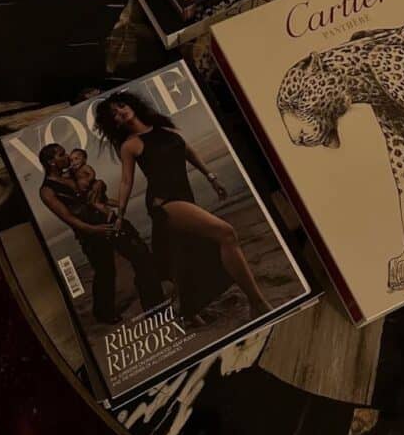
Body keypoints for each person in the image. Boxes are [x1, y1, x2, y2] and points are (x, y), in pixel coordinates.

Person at [94, 91, 271, 321]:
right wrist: (120, 215)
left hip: (185, 196)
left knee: (185, 255)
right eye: (114, 115)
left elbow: (188, 152)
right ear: (115, 124)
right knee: (226, 233)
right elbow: (127, 181)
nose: (120, 112)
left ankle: (189, 312)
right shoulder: (130, 145)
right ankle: (257, 302)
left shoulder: (165, 129)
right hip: (163, 202)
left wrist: (211, 177)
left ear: (132, 104)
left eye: (120, 106)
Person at [38, 143, 164, 324]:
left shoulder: (73, 172)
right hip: (89, 233)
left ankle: (155, 306)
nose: (67, 156)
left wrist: (99, 183)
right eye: (61, 154)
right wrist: (92, 230)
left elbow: (93, 182)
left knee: (141, 254)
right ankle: (103, 312)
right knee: (105, 272)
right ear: (51, 162)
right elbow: (67, 217)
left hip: (110, 220)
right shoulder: (47, 190)